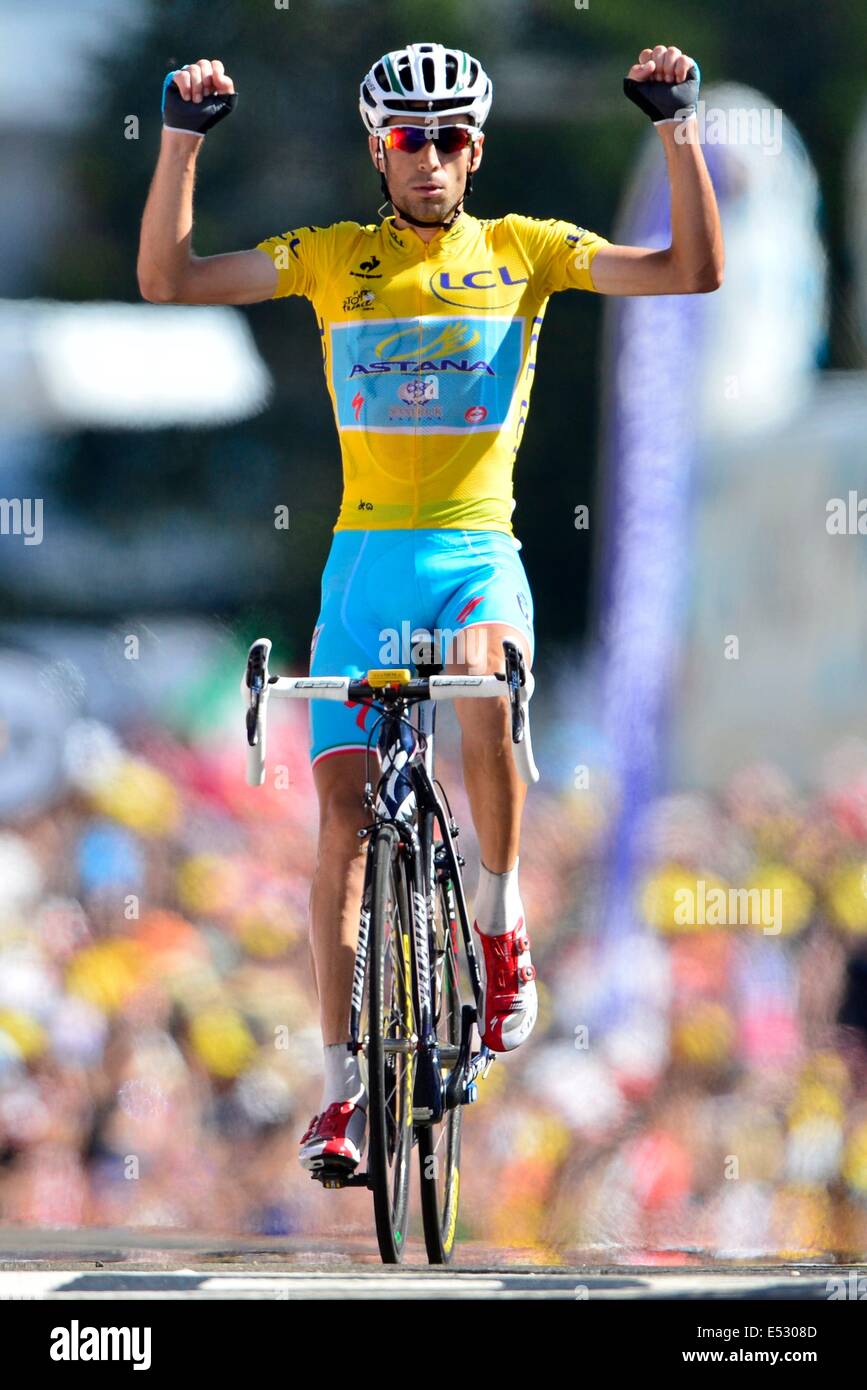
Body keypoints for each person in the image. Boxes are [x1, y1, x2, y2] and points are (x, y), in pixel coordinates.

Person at [138, 41, 723, 1174]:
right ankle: (344, 1091)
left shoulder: (527, 251)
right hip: (360, 573)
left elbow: (688, 271)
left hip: (472, 557)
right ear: (379, 149)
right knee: (346, 832)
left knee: (484, 683)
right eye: (411, 138)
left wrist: (679, 126)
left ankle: (500, 931)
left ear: (478, 150)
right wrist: (178, 140)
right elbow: (171, 280)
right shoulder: (329, 258)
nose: (432, 158)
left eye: (452, 138)